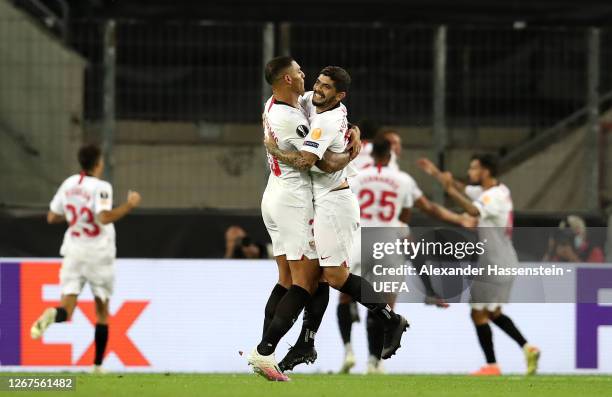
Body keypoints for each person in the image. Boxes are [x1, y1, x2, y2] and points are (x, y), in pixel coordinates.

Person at [258, 66, 408, 380]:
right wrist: (352, 130)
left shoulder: (326, 120)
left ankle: (389, 319)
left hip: (334, 202)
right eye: (318, 82)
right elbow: (331, 118)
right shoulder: (313, 101)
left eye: (328, 87)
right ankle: (304, 343)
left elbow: (313, 163)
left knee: (335, 276)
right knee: (319, 276)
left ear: (339, 96)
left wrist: (274, 149)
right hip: (317, 201)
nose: (319, 89)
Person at [248, 57, 360, 381]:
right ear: (286, 79)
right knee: (310, 280)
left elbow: (333, 116)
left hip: (274, 194)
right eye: (298, 72)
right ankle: (265, 351)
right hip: (294, 201)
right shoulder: (288, 118)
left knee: (286, 279)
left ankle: (274, 349)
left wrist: (351, 130)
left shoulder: (278, 103)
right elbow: (317, 163)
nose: (304, 75)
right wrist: (351, 154)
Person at [341, 137, 472, 374]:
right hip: (389, 240)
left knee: (346, 292)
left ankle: (349, 343)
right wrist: (459, 219)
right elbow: (421, 209)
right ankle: (375, 360)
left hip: (359, 239)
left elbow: (341, 203)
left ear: (371, 155)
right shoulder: (403, 180)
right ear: (390, 155)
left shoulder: (356, 176)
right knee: (384, 306)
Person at [417, 154, 541, 376]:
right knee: (492, 312)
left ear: (485, 171)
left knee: (477, 313)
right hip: (505, 260)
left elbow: (473, 209)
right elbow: (465, 190)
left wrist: (449, 191)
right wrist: (437, 174)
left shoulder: (493, 197)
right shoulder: (495, 191)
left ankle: (492, 366)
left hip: (493, 263)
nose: (469, 172)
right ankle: (527, 348)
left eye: (473, 168)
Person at [30, 144, 141, 373]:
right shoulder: (101, 187)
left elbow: (52, 217)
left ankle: (53, 314)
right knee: (102, 311)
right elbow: (103, 217)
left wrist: (75, 216)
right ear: (98, 163)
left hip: (73, 252)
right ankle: (98, 366)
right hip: (98, 254)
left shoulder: (69, 184)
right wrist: (129, 205)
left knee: (67, 309)